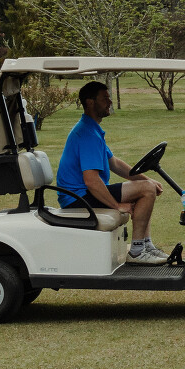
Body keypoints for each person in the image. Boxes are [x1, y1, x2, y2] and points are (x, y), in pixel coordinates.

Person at [54, 80, 166, 264]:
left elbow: (115, 164)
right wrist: (116, 205)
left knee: (146, 187)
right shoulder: (87, 134)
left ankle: (146, 245)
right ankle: (137, 252)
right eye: (104, 98)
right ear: (90, 102)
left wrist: (148, 180)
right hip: (78, 198)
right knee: (146, 189)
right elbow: (91, 181)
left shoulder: (91, 129)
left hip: (84, 194)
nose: (110, 102)